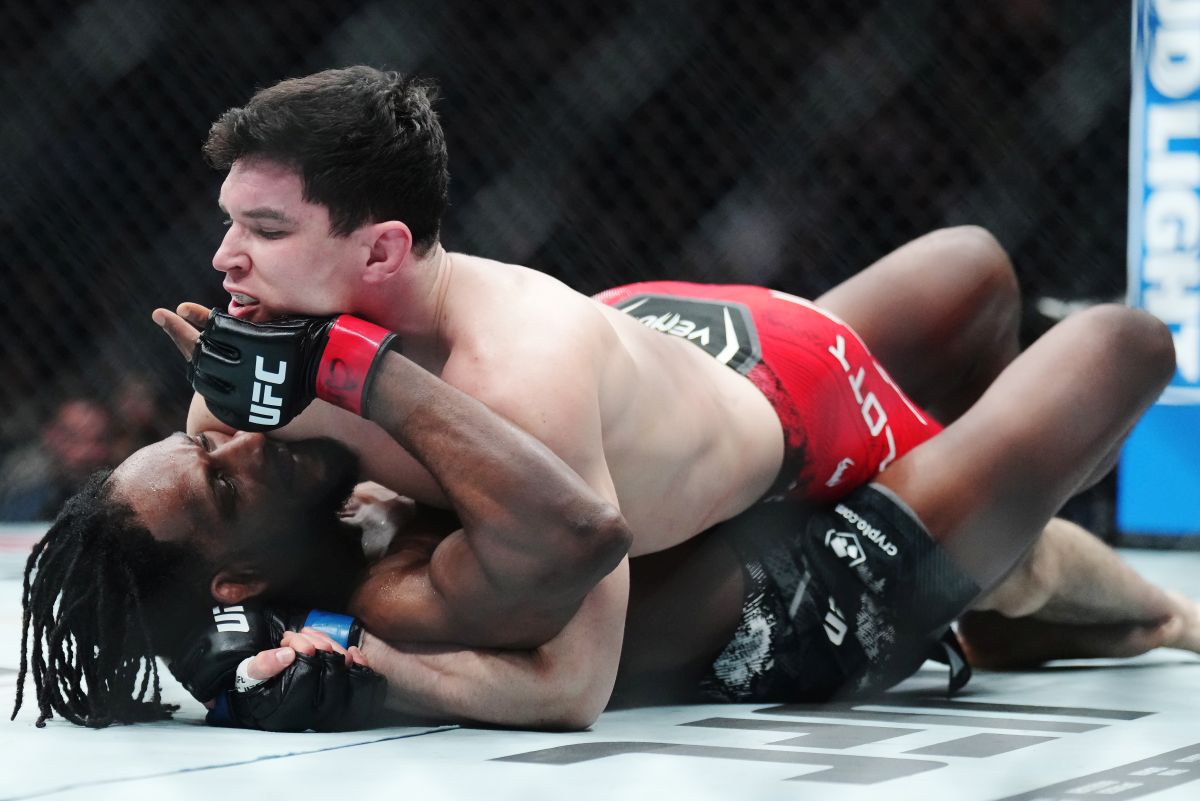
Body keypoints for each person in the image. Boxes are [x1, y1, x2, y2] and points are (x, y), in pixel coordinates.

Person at [13, 66, 1196, 730]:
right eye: (229, 225)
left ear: (376, 253)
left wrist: (361, 661)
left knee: (1106, 335)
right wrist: (269, 636)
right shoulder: (264, 383)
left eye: (261, 230)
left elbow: (575, 671)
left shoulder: (512, 382)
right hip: (674, 340)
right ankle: (1006, 521)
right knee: (974, 265)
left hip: (787, 425)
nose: (222, 260)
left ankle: (1000, 517)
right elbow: (191, 521)